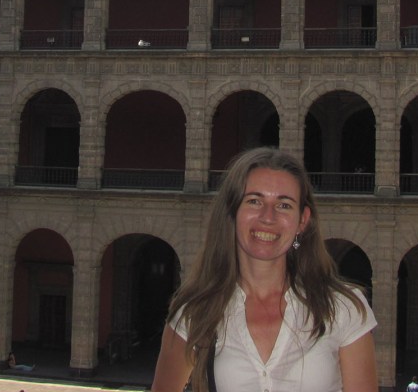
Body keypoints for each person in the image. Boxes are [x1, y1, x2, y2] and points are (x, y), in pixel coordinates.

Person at [151, 147, 377, 392]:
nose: (268, 217)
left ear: (302, 220)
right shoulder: (195, 312)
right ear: (232, 212)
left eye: (284, 205)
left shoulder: (343, 308)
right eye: (254, 201)